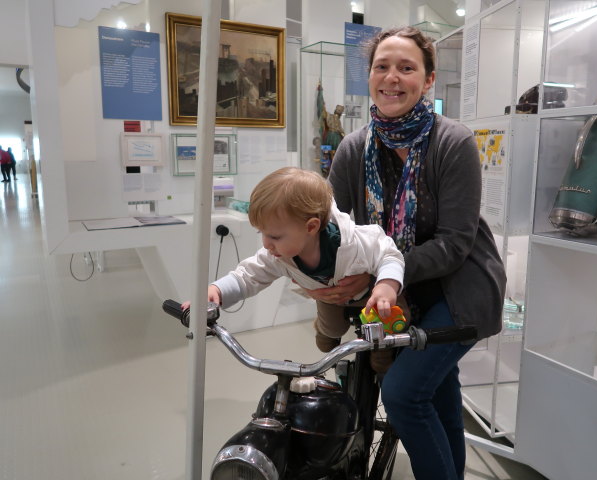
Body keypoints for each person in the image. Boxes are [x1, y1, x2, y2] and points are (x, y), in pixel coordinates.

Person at [306, 26, 506, 480]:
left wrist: (381, 274)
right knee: (438, 394)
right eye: (382, 66)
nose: (392, 78)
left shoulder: (453, 142)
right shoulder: (353, 149)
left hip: (459, 289)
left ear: (429, 79)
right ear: (369, 76)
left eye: (407, 68)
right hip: (392, 294)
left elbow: (456, 243)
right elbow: (334, 227)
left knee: (402, 394)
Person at [182, 166, 408, 372]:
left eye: (274, 236)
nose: (266, 244)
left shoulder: (357, 243)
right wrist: (217, 291)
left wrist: (387, 284)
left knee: (392, 324)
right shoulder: (278, 255)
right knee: (331, 333)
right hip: (330, 299)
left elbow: (389, 254)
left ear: (311, 227)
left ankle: (383, 349)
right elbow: (248, 276)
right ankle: (323, 329)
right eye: (262, 233)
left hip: (373, 297)